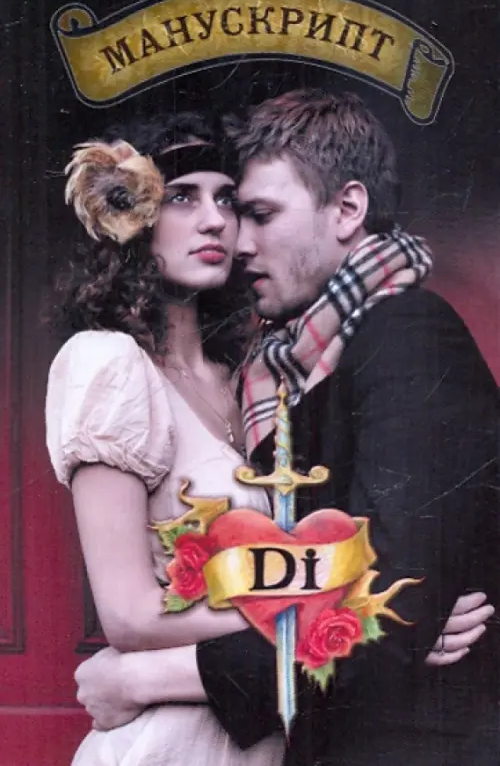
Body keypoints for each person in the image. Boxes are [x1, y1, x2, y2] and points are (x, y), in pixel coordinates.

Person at [72, 91, 499, 766]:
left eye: (260, 214)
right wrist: (384, 610)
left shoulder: (407, 334)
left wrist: (144, 677)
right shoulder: (288, 370)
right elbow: (374, 598)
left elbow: (391, 606)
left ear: (348, 210)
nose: (237, 240)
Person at [45, 112, 286, 765]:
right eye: (183, 197)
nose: (214, 221)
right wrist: (310, 609)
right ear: (133, 216)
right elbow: (129, 615)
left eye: (226, 199)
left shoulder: (242, 376)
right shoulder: (110, 364)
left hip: (256, 736)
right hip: (169, 744)